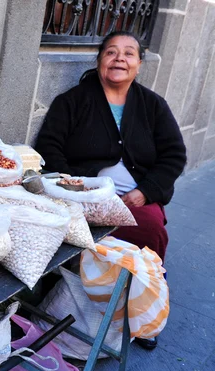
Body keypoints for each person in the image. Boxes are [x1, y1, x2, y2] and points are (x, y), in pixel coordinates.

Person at [35, 31, 187, 350]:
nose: (119, 58)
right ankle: (102, 300)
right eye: (111, 52)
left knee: (150, 230)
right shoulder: (74, 101)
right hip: (87, 197)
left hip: (134, 196)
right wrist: (74, 185)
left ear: (139, 64)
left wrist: (146, 191)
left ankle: (144, 312)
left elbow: (174, 154)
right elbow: (49, 145)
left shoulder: (152, 105)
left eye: (129, 53)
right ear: (100, 60)